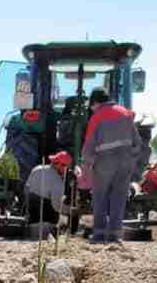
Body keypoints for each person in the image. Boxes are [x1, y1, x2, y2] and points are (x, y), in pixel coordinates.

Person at [80, 88, 142, 244]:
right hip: (125, 162)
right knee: (119, 198)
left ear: (95, 102)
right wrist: (129, 159)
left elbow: (89, 145)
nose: (91, 109)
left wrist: (86, 167)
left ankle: (100, 235)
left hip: (104, 163)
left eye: (91, 105)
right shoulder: (126, 113)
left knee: (99, 197)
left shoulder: (97, 117)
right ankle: (114, 235)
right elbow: (137, 143)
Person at [24, 151, 72, 228]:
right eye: (67, 167)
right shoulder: (57, 181)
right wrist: (70, 211)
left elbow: (26, 188)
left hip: (30, 214)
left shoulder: (37, 168)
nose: (67, 170)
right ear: (60, 165)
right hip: (45, 219)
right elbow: (56, 206)